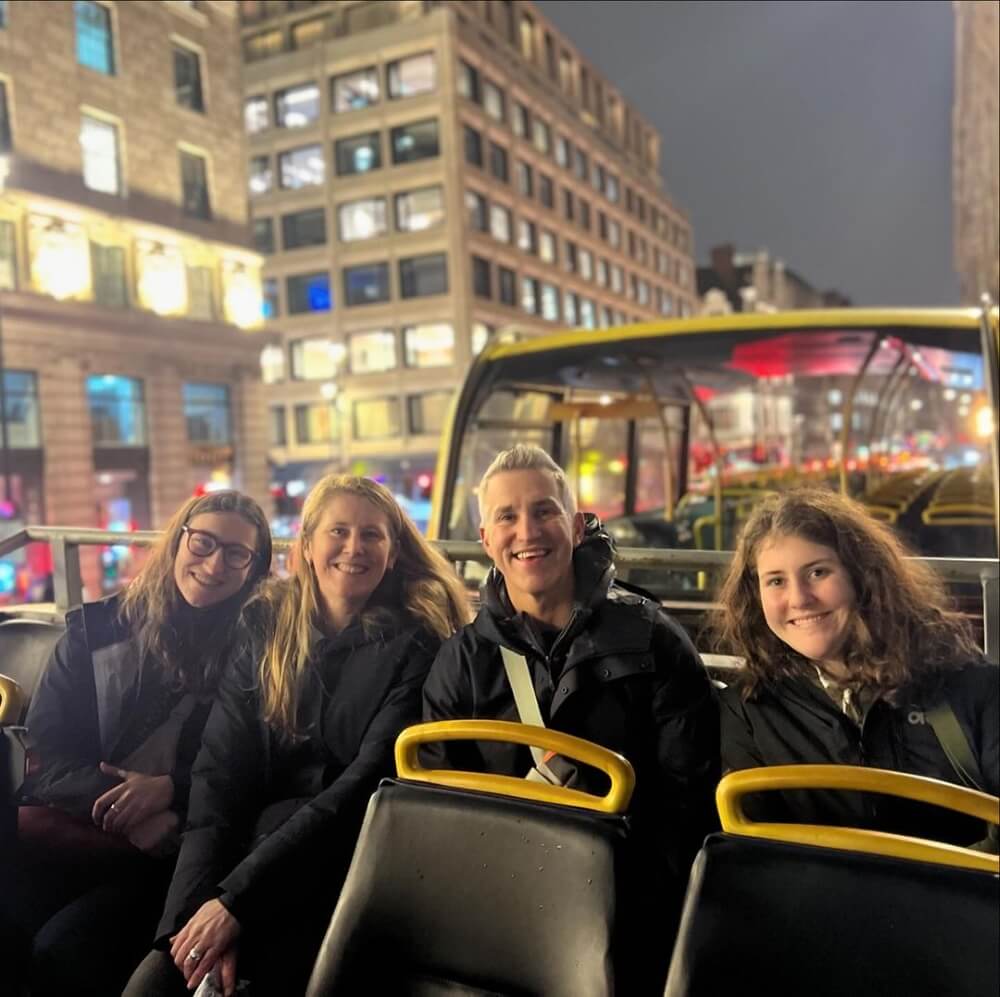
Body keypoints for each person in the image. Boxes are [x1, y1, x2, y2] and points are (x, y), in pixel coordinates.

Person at [125, 474, 470, 997]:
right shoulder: (264, 622)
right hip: (239, 867)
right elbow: (220, 772)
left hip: (341, 869)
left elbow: (365, 789)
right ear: (306, 546)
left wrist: (239, 903)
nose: (354, 548)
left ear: (393, 553)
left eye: (372, 536)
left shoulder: (417, 643)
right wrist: (192, 917)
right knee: (154, 984)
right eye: (338, 531)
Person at [421, 445, 719, 992]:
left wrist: (624, 904)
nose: (527, 531)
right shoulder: (461, 662)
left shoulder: (653, 639)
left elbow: (687, 800)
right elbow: (439, 808)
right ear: (486, 540)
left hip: (628, 901)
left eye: (544, 511)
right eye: (506, 516)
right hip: (501, 901)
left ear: (577, 526)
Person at [5, 490, 272, 997]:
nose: (214, 563)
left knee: (65, 950)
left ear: (254, 569)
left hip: (174, 854)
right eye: (203, 543)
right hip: (82, 829)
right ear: (178, 542)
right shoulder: (96, 632)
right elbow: (43, 757)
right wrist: (134, 809)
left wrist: (171, 792)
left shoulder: (259, 652)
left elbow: (253, 767)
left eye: (236, 553)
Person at [715, 487, 998, 844]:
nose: (800, 598)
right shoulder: (749, 709)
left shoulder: (964, 684)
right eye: (776, 581)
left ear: (861, 576)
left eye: (818, 572)